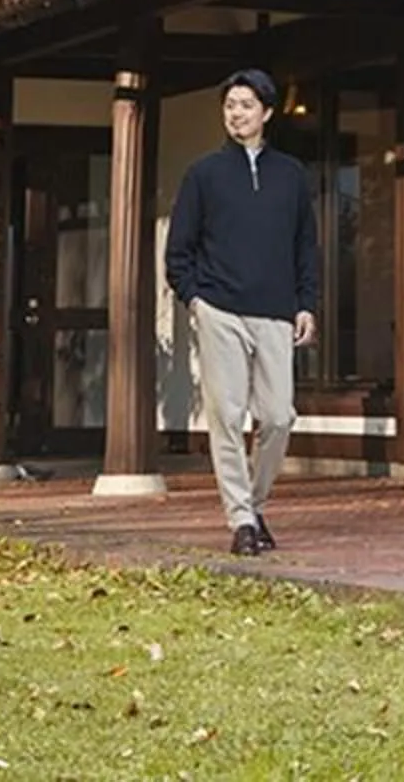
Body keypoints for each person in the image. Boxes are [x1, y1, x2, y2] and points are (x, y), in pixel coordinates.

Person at [164, 68, 319, 556]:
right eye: (230, 105)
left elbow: (306, 246)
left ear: (267, 112)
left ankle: (253, 503)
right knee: (227, 416)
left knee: (278, 416)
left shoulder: (291, 175)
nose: (237, 114)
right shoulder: (203, 174)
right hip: (220, 310)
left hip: (276, 311)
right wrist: (195, 298)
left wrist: (307, 303)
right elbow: (178, 250)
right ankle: (242, 520)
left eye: (247, 105)